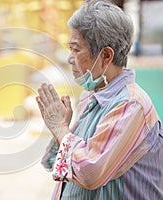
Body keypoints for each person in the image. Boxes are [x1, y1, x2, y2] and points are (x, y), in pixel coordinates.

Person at [36, 0, 163, 199]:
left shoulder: (130, 104)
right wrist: (63, 128)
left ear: (105, 55)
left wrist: (61, 129)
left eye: (76, 49)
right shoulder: (91, 96)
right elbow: (58, 164)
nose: (70, 58)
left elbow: (89, 172)